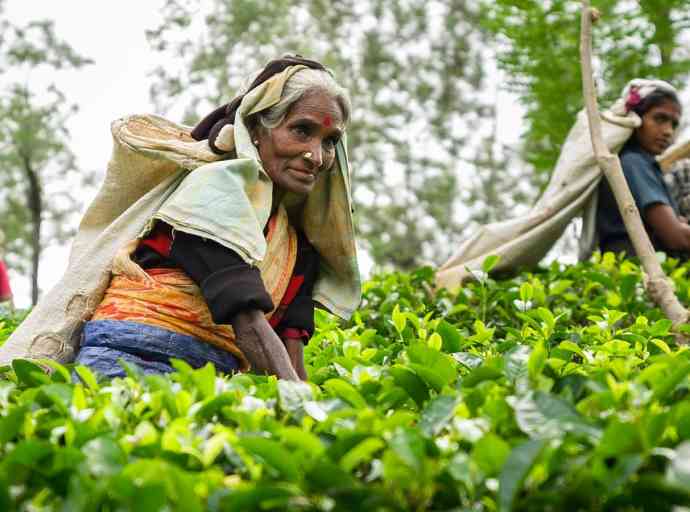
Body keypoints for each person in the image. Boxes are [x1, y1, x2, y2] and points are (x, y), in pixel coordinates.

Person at [2, 55, 361, 380]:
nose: (315, 155)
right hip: (128, 360)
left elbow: (290, 357)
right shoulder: (210, 194)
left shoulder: (297, 247)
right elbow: (248, 321)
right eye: (301, 130)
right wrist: (297, 399)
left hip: (210, 378)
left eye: (329, 141)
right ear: (256, 130)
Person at [596, 83, 686, 257]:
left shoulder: (643, 163)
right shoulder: (633, 163)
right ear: (636, 119)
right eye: (660, 119)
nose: (668, 131)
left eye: (674, 124)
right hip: (637, 271)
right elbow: (676, 237)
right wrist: (678, 227)